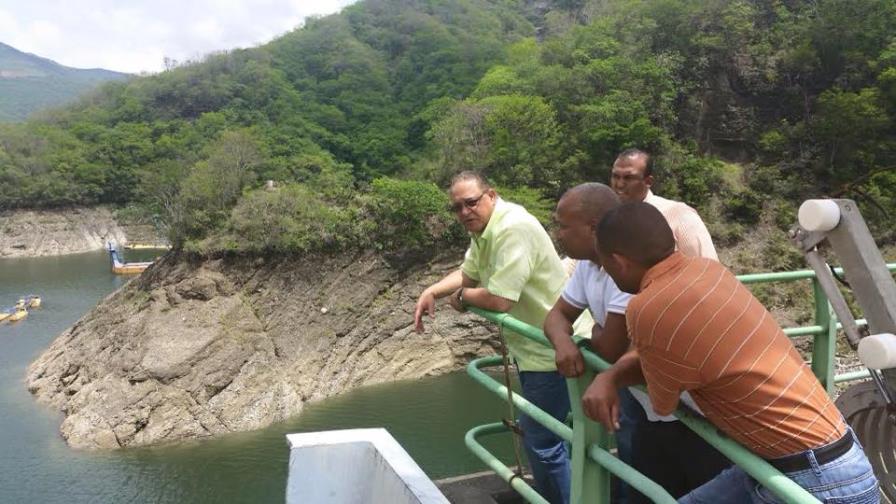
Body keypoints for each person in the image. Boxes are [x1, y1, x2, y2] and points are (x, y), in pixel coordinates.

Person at [587, 202, 879, 504]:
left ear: (619, 262)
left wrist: (611, 374)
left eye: (604, 265)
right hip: (822, 460)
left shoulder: (647, 306)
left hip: (813, 480)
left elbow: (663, 402)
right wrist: (612, 376)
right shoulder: (708, 271)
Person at [544, 184, 730, 503]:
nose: (558, 233)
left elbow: (609, 350)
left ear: (593, 228)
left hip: (697, 414)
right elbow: (557, 316)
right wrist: (564, 342)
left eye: (564, 225)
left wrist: (598, 344)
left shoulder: (630, 273)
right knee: (649, 490)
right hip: (649, 408)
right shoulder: (591, 266)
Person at [413, 171, 572, 504]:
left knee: (542, 441)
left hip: (553, 350)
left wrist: (464, 297)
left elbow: (500, 299)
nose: (464, 212)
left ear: (491, 195)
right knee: (554, 435)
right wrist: (435, 291)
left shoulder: (512, 229)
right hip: (533, 350)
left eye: (471, 202)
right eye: (456, 207)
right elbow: (468, 273)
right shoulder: (484, 230)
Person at [610, 149, 717, 260]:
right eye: (615, 176)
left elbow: (708, 268)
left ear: (648, 182)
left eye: (629, 178)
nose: (620, 184)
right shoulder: (609, 220)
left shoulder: (679, 215)